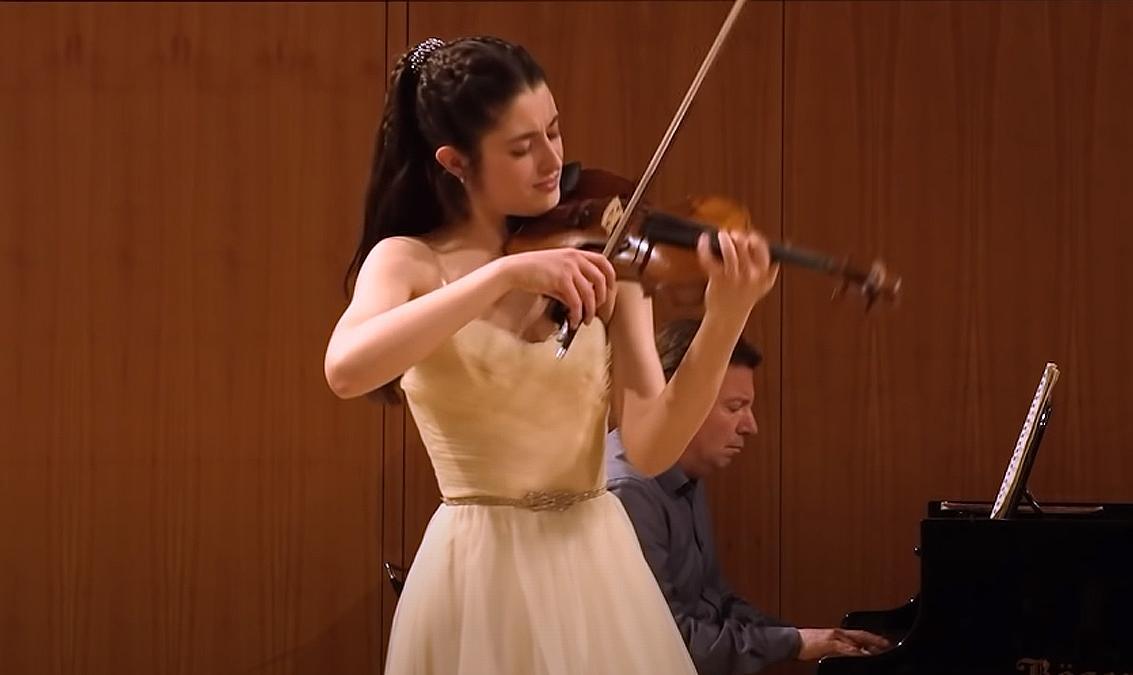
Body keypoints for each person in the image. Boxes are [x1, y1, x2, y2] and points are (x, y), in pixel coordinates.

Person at [323, 36, 778, 675]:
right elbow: (346, 369)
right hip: (475, 569)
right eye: (521, 146)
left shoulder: (604, 258)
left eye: (555, 131)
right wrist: (501, 277)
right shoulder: (408, 261)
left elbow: (650, 446)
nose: (551, 159)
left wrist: (728, 315)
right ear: (455, 162)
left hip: (594, 558)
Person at [606, 320, 890, 675]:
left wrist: (806, 638)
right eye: (735, 407)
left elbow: (716, 601)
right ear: (676, 401)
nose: (750, 425)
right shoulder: (630, 492)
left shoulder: (684, 471)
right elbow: (669, 640)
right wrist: (796, 643)